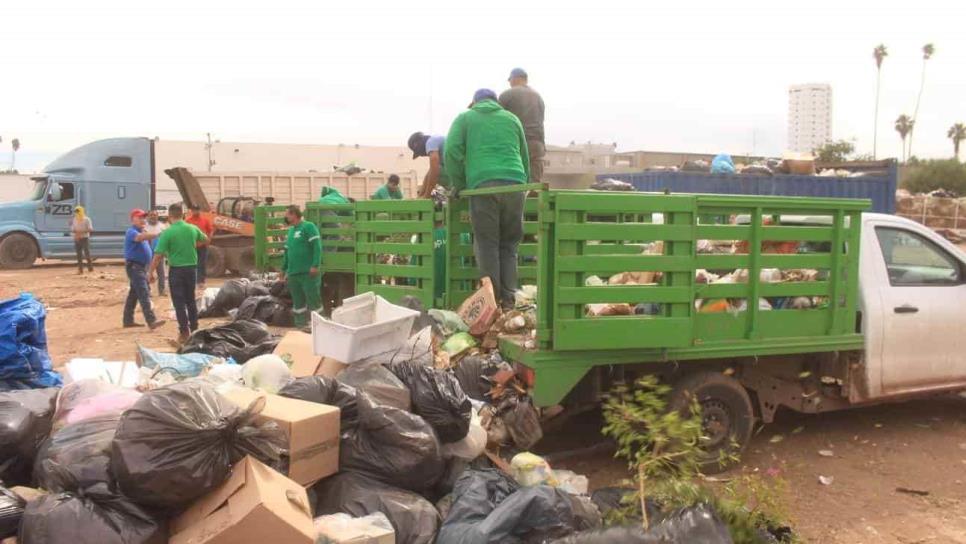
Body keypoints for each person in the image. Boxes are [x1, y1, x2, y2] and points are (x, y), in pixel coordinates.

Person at [445, 88, 530, 308]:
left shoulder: (466, 118)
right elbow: (524, 155)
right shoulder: (512, 119)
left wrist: (461, 184)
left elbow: (451, 151)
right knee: (509, 246)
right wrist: (524, 184)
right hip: (515, 184)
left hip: (483, 186)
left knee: (487, 245)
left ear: (474, 102)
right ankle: (510, 301)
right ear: (496, 102)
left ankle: (491, 305)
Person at [149, 203, 207, 343]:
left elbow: (158, 255)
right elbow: (204, 239)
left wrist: (150, 272)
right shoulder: (192, 228)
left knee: (179, 302)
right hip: (191, 269)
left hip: (177, 270)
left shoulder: (167, 232)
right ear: (183, 214)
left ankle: (184, 331)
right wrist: (192, 244)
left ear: (169, 216)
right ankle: (195, 329)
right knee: (190, 300)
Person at [499, 67, 545, 182]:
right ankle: (533, 195)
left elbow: (497, 119)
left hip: (516, 143)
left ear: (514, 79)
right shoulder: (538, 97)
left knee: (514, 177)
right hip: (536, 143)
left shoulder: (507, 95)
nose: (509, 83)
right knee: (534, 181)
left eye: (510, 80)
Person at [280, 205, 322, 329]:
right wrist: (283, 269)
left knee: (313, 299)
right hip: (293, 273)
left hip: (307, 272)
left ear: (294, 215)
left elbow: (317, 247)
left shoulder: (308, 227)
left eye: (287, 214)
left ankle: (319, 325)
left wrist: (315, 265)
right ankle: (300, 324)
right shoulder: (291, 230)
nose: (285, 217)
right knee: (298, 301)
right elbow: (287, 252)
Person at [123, 209, 166, 330]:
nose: (143, 219)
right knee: (143, 292)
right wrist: (157, 234)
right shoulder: (131, 232)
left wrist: (149, 271)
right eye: (139, 217)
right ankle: (151, 320)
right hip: (135, 267)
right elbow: (139, 238)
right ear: (133, 219)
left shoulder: (143, 231)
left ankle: (128, 320)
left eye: (143, 217)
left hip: (141, 267)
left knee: (134, 294)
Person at [408, 131, 447, 198]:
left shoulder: (431, 142)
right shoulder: (436, 140)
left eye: (419, 153)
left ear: (417, 144)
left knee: (434, 171)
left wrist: (427, 195)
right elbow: (429, 174)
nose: (422, 155)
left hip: (460, 172)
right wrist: (420, 195)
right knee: (430, 172)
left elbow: (434, 172)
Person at [185, 204, 214, 287]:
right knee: (192, 264)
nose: (195, 211)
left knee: (202, 264)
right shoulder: (188, 221)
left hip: (203, 246)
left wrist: (209, 239)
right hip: (192, 247)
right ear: (191, 211)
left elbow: (210, 230)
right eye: (194, 210)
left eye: (197, 209)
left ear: (199, 210)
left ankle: (201, 282)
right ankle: (192, 281)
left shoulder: (205, 220)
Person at [144, 210, 167, 295]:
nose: (153, 216)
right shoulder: (145, 226)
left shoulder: (162, 226)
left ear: (157, 216)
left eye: (154, 215)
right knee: (148, 271)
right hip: (148, 253)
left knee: (161, 272)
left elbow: (165, 239)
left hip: (159, 252)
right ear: (148, 216)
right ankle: (148, 291)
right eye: (151, 215)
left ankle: (162, 290)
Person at [70, 206, 94, 274]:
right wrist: (75, 235)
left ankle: (90, 268)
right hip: (77, 239)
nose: (77, 213)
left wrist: (80, 232)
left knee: (87, 254)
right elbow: (72, 229)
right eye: (76, 212)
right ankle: (80, 270)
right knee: (79, 255)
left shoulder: (87, 219)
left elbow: (90, 229)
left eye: (78, 212)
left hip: (84, 238)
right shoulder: (74, 219)